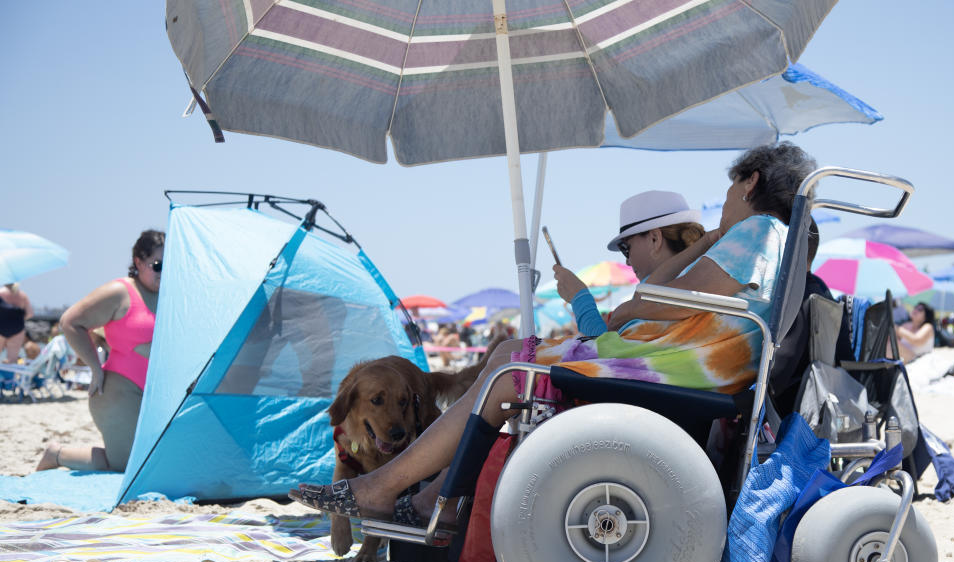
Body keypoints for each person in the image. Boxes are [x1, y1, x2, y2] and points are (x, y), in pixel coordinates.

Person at [290, 142, 817, 524]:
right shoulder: (768, 238)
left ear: (750, 183)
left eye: (730, 190)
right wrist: (709, 242)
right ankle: (425, 499)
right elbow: (663, 294)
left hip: (675, 367)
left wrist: (630, 299)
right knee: (505, 358)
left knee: (508, 367)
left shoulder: (758, 230)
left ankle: (402, 493)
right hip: (687, 364)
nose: (723, 203)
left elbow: (660, 303)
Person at [35, 230, 163, 472]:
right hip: (118, 391)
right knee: (127, 466)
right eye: (158, 265)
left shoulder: (170, 295)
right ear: (138, 262)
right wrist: (95, 367)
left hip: (153, 397)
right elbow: (70, 322)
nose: (163, 272)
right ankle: (57, 453)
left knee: (154, 462)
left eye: (170, 266)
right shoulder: (120, 292)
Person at [550, 189, 705, 337]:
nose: (627, 261)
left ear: (654, 239)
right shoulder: (704, 280)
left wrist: (580, 299)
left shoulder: (659, 295)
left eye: (626, 248)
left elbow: (608, 353)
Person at [0, 282, 34, 363]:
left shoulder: (1, 293)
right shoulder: (22, 295)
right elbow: (30, 314)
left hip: (1, 326)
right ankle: (9, 375)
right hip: (17, 327)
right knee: (12, 358)